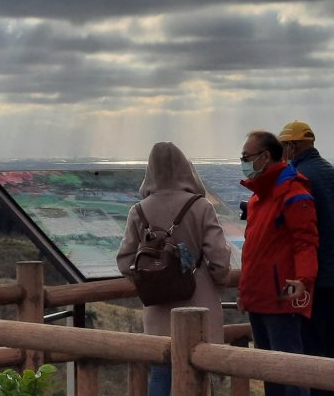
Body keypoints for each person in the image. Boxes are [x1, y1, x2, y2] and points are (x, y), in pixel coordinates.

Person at [116, 141, 233, 396]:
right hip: (199, 305)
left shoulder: (139, 211)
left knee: (161, 371)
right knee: (199, 371)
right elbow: (220, 260)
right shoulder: (200, 207)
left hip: (158, 309)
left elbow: (125, 261)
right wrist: (217, 280)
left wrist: (152, 277)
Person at [237, 130, 319, 396]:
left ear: (265, 156)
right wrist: (245, 292)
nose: (243, 162)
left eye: (246, 156)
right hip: (259, 296)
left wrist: (304, 281)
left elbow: (306, 242)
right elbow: (254, 249)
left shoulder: (293, 192)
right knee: (268, 370)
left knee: (290, 370)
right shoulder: (258, 196)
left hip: (281, 296)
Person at [278, 120, 334, 396]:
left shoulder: (297, 178)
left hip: (310, 278)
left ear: (291, 145)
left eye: (283, 146)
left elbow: (294, 234)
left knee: (310, 349)